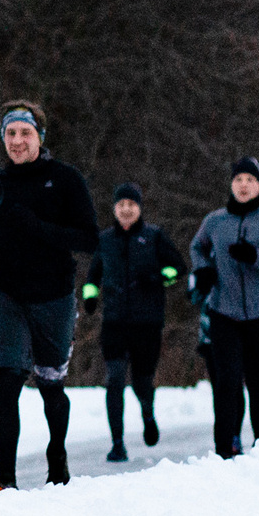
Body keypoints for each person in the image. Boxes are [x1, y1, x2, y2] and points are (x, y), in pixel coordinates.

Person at [0, 101, 98, 494]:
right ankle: (7, 479)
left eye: (25, 133)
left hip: (54, 295)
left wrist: (39, 228)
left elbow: (88, 238)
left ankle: (57, 457)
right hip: (9, 294)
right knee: (8, 380)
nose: (17, 141)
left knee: (50, 384)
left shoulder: (64, 179)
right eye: (10, 134)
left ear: (40, 137)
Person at [188, 155, 259, 457]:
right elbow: (197, 246)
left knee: (258, 383)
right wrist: (204, 269)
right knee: (226, 382)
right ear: (231, 184)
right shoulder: (215, 221)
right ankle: (224, 447)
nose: (243, 185)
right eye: (238, 179)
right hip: (223, 312)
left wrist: (257, 257)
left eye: (250, 180)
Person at [82, 182, 185, 462]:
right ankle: (117, 443)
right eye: (121, 205)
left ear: (139, 208)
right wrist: (90, 297)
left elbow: (178, 267)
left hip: (147, 323)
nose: (126, 210)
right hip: (114, 322)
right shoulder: (105, 240)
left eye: (131, 205)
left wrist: (159, 277)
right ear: (114, 209)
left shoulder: (154, 237)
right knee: (114, 380)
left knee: (141, 381)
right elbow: (93, 276)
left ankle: (148, 414)